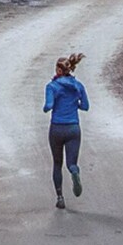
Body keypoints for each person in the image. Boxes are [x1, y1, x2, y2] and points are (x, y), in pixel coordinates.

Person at [43, 53, 89, 209]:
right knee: (71, 163)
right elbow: (85, 106)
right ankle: (74, 172)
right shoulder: (78, 86)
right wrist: (74, 103)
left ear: (58, 70)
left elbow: (48, 106)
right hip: (73, 128)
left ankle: (60, 197)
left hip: (57, 128)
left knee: (57, 164)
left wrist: (49, 106)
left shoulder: (52, 86)